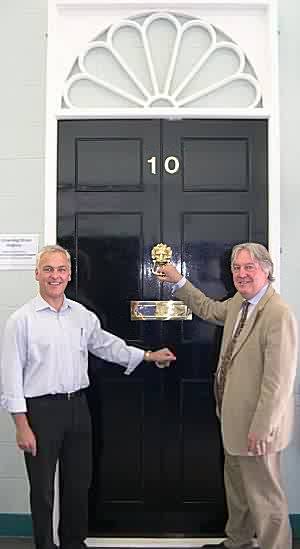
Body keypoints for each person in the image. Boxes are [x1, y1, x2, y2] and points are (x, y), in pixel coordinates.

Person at [0, 244, 176, 549]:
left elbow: (106, 345)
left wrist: (147, 355)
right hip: (40, 413)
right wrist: (21, 424)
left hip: (78, 409)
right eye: (48, 269)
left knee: (78, 485)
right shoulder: (21, 321)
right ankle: (44, 544)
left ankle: (72, 542)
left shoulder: (80, 315)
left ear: (70, 275)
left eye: (61, 269)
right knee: (42, 489)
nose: (55, 276)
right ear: (37, 274)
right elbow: (11, 375)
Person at [156, 242, 298, 549]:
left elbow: (279, 382)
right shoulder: (239, 303)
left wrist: (262, 426)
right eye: (237, 268)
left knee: (266, 498)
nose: (242, 274)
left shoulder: (278, 314)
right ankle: (238, 542)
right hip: (234, 420)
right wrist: (179, 281)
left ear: (267, 270)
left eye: (250, 267)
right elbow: (209, 309)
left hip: (258, 426)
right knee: (237, 491)